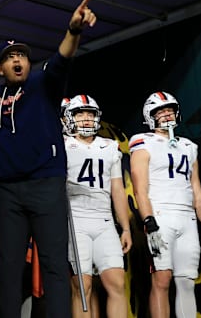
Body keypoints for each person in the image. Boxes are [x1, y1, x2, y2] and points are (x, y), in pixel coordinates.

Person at [0, 0, 97, 318]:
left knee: (54, 266)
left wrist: (73, 31)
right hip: (7, 191)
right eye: (10, 57)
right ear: (0, 67)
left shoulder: (42, 83)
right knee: (7, 271)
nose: (17, 60)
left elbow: (62, 58)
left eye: (21, 55)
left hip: (46, 184)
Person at [130, 91, 201, 318]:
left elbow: (197, 191)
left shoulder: (189, 146)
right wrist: (149, 223)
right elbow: (140, 189)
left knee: (187, 282)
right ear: (150, 116)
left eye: (169, 110)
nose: (167, 114)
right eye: (161, 111)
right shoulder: (143, 142)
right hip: (160, 215)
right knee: (162, 279)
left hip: (187, 218)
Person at [62, 95, 131, 318]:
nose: (85, 119)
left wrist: (126, 228)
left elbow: (118, 190)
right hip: (76, 218)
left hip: (104, 220)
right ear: (70, 118)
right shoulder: (63, 145)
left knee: (117, 282)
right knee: (83, 286)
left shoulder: (109, 146)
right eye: (80, 114)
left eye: (90, 114)